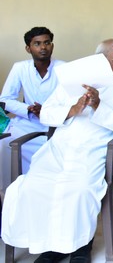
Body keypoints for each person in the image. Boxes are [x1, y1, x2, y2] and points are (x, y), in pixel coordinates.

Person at [1, 39, 113, 263]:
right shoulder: (72, 83)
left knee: (79, 190)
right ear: (100, 61)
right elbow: (46, 113)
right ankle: (52, 246)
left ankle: (81, 248)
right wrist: (72, 109)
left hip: (94, 150)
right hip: (58, 149)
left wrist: (98, 105)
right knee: (31, 187)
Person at [0, 27, 65, 190]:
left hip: (57, 124)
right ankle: (9, 192)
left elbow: (72, 100)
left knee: (61, 151)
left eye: (47, 43)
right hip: (27, 123)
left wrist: (47, 111)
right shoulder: (20, 68)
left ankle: (47, 192)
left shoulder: (64, 68)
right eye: (37, 44)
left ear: (52, 46)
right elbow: (5, 99)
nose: (43, 47)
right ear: (28, 48)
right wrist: (28, 109)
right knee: (5, 144)